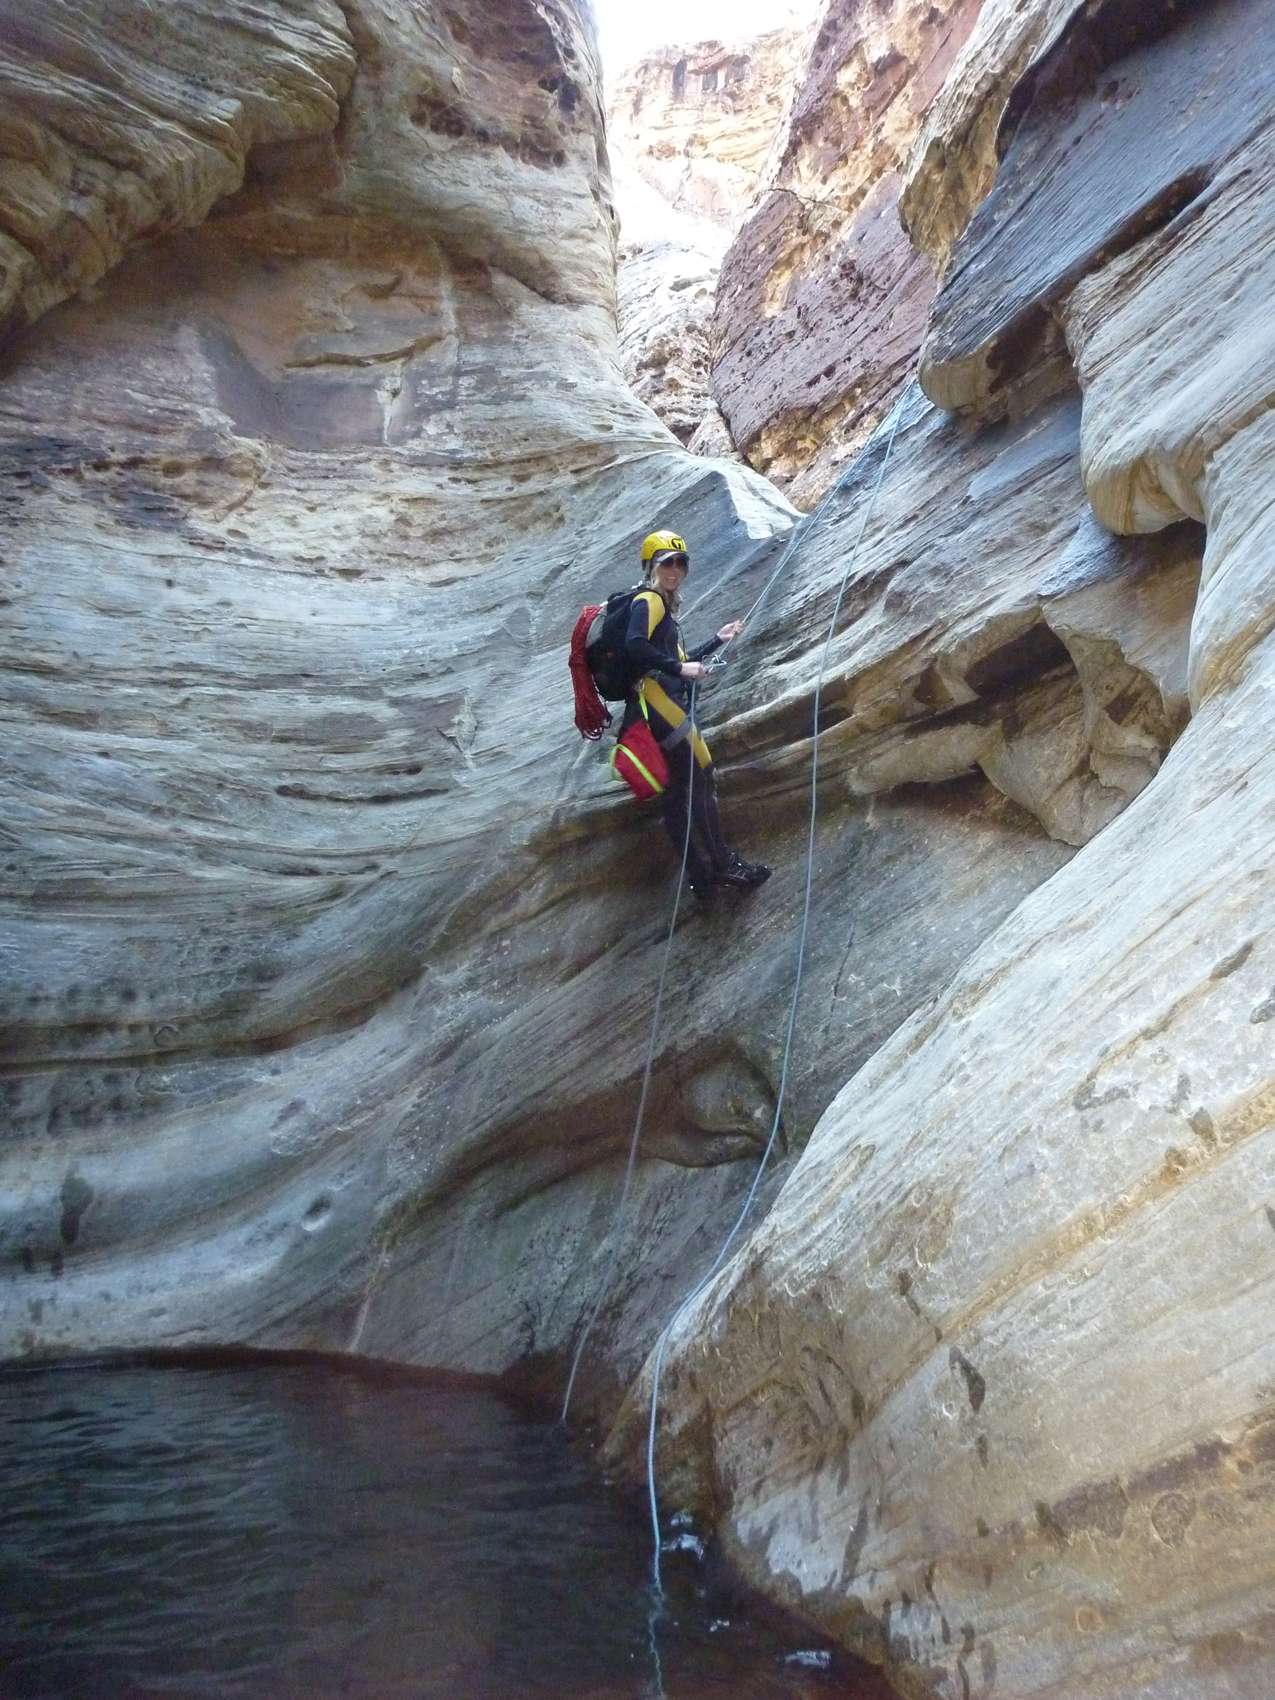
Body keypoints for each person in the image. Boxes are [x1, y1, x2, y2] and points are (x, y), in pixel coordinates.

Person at [622, 530, 772, 900]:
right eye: (666, 563)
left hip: (653, 705)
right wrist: (679, 669)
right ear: (650, 567)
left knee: (677, 792)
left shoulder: (659, 607)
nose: (674, 570)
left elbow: (675, 660)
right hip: (660, 704)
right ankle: (723, 865)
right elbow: (634, 645)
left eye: (680, 563)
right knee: (701, 774)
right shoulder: (649, 601)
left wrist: (717, 640)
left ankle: (700, 879)